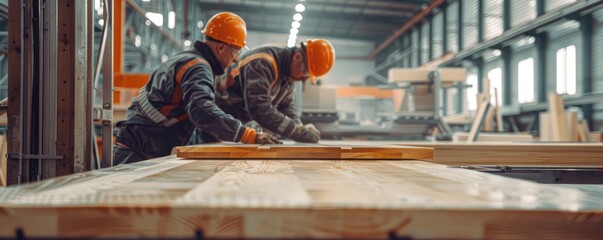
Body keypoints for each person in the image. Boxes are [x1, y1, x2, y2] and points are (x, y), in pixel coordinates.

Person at [113, 12, 278, 165]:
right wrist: (248, 135)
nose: (235, 60)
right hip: (141, 150)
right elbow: (202, 111)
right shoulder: (198, 67)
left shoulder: (185, 59)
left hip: (138, 143)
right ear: (221, 48)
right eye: (235, 51)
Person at [212, 39, 335, 143]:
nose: (303, 78)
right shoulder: (263, 62)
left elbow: (286, 107)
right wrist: (297, 132)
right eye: (305, 72)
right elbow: (259, 109)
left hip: (239, 121)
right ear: (298, 57)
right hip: (220, 122)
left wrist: (300, 128)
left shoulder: (288, 74)